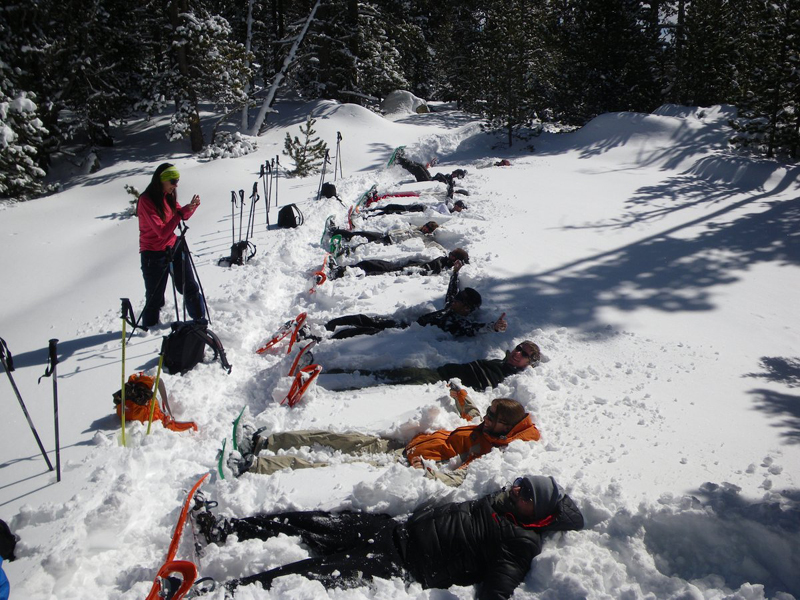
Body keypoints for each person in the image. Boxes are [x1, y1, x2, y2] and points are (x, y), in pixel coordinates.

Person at [192, 474, 584, 599]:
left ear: (540, 515)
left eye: (527, 495)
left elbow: (496, 589)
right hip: (391, 530)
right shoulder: (499, 500)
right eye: (521, 484)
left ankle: (226, 592)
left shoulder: (521, 541)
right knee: (308, 521)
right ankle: (226, 530)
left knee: (311, 572)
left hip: (399, 564)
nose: (518, 490)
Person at [228, 396, 539, 486]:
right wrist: (460, 397)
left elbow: (461, 477)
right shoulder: (484, 427)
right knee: (336, 439)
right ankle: (264, 443)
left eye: (492, 416)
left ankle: (257, 467)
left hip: (402, 463)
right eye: (487, 413)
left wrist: (429, 471)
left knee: (327, 465)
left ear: (504, 425)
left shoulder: (491, 451)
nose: (485, 417)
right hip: (403, 445)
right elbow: (471, 413)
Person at [325, 264, 507, 339]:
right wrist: (455, 274)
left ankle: (323, 339)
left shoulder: (458, 323)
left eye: (460, 299)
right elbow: (451, 294)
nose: (455, 299)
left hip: (403, 333)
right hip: (403, 323)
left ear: (466, 308)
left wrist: (493, 327)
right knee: (362, 318)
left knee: (362, 332)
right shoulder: (451, 308)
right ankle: (327, 326)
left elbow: (475, 329)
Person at [137, 163, 205, 329]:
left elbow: (181, 216)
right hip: (153, 253)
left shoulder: (167, 196)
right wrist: (181, 213)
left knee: (189, 286)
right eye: (173, 181)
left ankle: (200, 322)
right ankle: (150, 329)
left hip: (174, 246)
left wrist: (190, 208)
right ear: (162, 180)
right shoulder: (146, 201)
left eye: (177, 181)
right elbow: (161, 231)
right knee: (154, 297)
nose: (176, 185)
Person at [326, 340, 541, 392]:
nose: (518, 353)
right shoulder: (501, 362)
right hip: (437, 372)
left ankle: (338, 391)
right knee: (385, 373)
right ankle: (334, 372)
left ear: (529, 364)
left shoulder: (511, 381)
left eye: (525, 354)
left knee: (385, 388)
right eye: (519, 348)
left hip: (440, 385)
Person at [329, 247, 469, 280]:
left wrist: (403, 271)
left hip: (403, 272)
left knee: (371, 272)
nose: (448, 255)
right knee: (369, 263)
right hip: (401, 266)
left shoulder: (443, 268)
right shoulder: (442, 260)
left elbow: (425, 271)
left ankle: (340, 274)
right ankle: (342, 269)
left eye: (452, 255)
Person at [329, 221, 442, 253]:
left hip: (390, 242)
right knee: (362, 233)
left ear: (430, 232)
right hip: (386, 235)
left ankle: (344, 251)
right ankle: (336, 231)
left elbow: (433, 244)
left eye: (428, 229)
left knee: (365, 247)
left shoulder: (424, 238)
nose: (426, 229)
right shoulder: (416, 228)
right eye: (427, 226)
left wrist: (443, 250)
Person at [364, 198, 467, 217]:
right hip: (420, 208)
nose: (460, 210)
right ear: (456, 206)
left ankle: (371, 215)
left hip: (420, 211)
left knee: (394, 211)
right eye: (460, 208)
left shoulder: (448, 212)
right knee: (395, 207)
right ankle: (370, 211)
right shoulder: (447, 209)